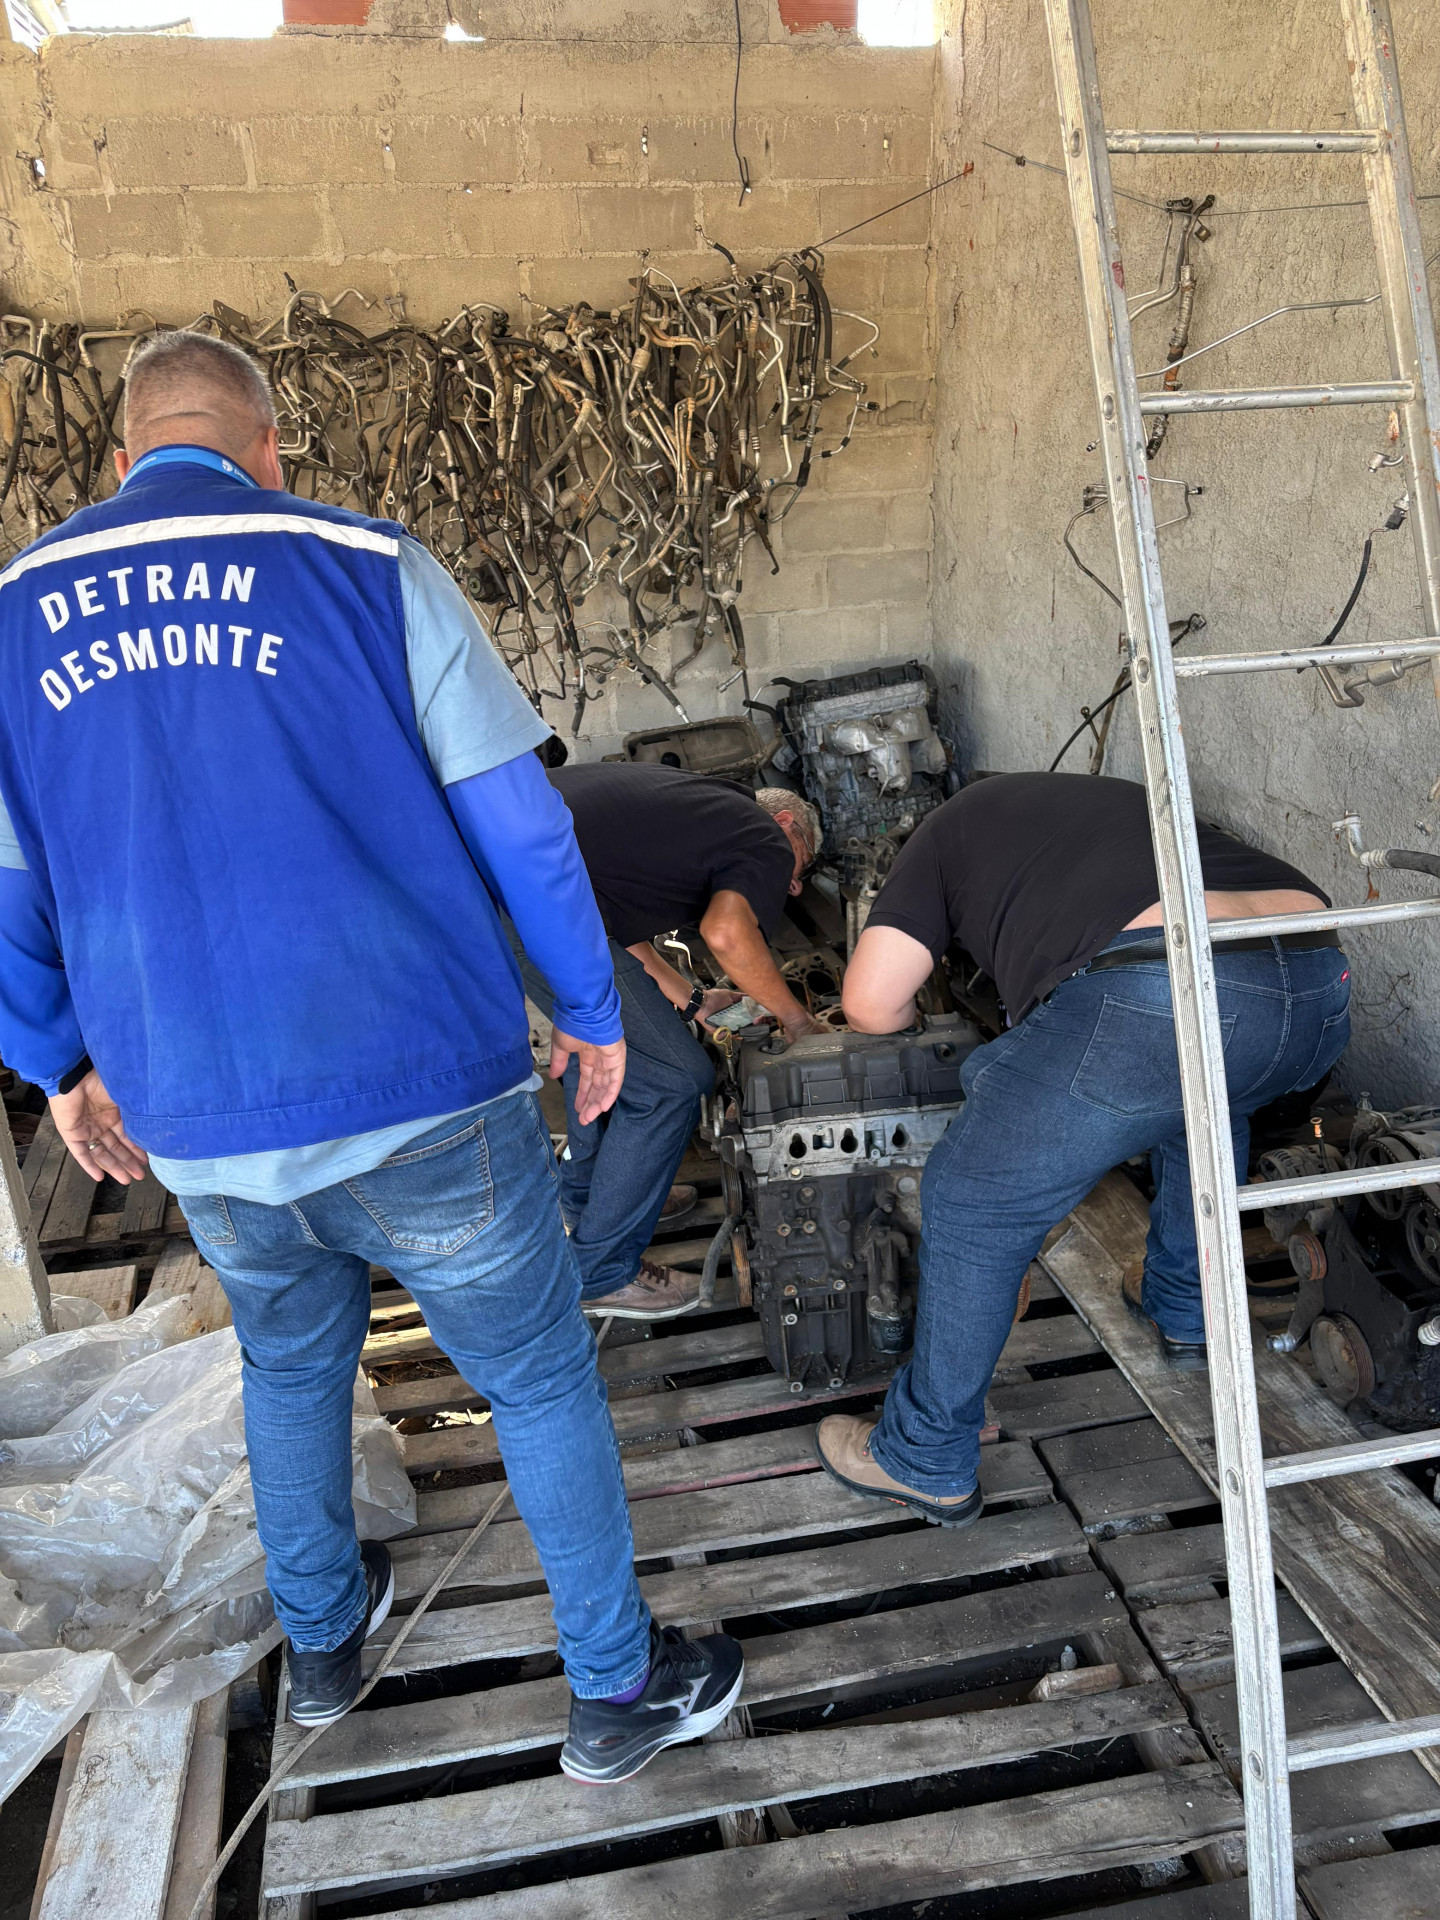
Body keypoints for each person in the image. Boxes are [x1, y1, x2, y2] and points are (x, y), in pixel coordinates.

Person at [0, 332, 742, 1780]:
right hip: (421, 1094)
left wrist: (60, 1071)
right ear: (267, 447)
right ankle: (614, 1688)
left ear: (121, 459)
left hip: (196, 1118)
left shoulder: (16, 613)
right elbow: (522, 823)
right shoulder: (365, 561)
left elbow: (8, 886)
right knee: (532, 1374)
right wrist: (595, 1009)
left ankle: (327, 1654)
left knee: (289, 1370)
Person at [816, 771, 1350, 1526]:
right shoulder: (1096, 801)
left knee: (973, 1199)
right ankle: (1184, 1308)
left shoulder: (939, 836)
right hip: (1318, 975)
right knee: (1200, 1102)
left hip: (1159, 980)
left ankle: (924, 1455)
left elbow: (870, 1003)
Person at [517, 762, 828, 1320]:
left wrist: (693, 1002)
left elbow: (623, 934)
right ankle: (603, 1271)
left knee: (604, 1052)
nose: (796, 884)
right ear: (786, 824)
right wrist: (799, 1021)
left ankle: (593, 1204)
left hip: (515, 891)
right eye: (802, 864)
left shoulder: (696, 807)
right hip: (538, 902)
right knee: (675, 1082)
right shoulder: (761, 835)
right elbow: (728, 933)